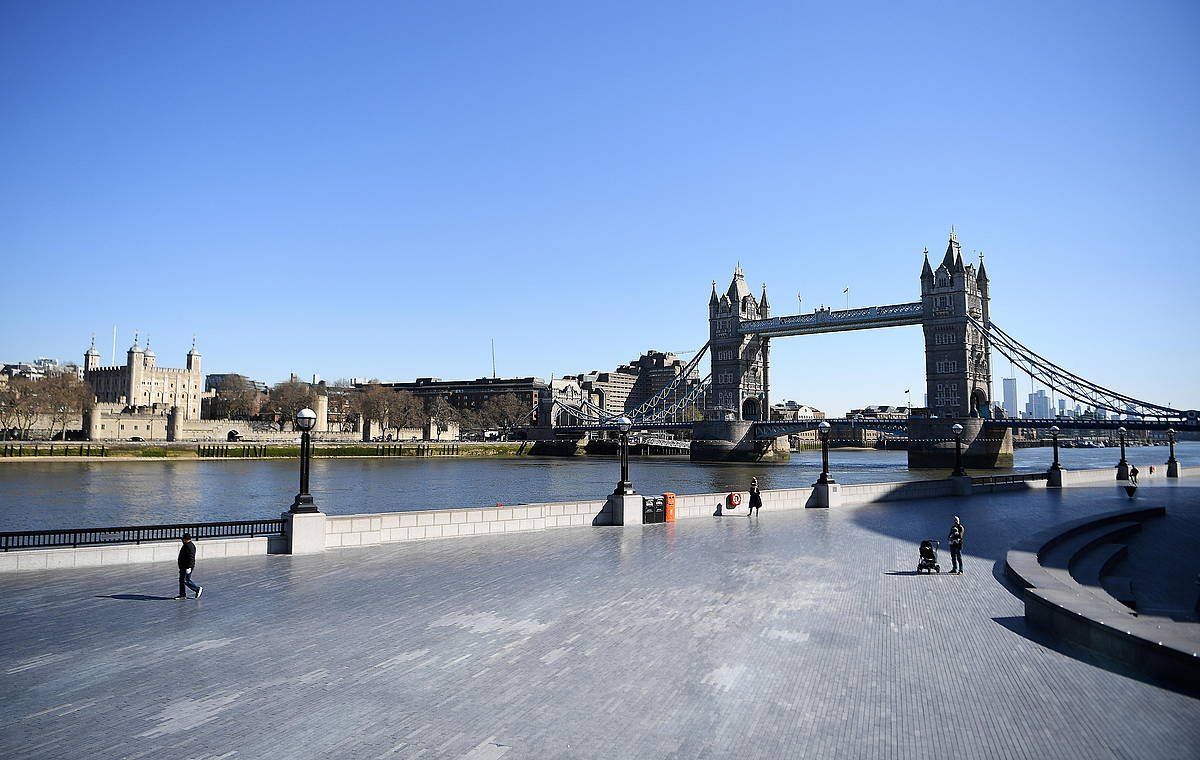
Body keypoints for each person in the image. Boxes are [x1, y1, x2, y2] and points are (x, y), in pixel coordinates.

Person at [176, 533, 203, 599]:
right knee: (182, 580)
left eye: (183, 539)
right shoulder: (186, 545)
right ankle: (182, 595)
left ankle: (197, 589)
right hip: (183, 566)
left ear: (185, 539)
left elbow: (191, 558)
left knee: (185, 580)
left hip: (186, 566)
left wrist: (189, 567)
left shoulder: (190, 546)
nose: (182, 540)